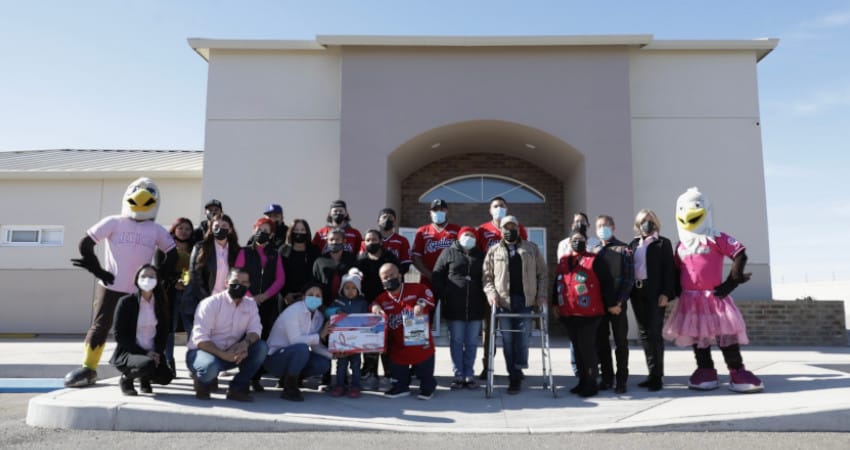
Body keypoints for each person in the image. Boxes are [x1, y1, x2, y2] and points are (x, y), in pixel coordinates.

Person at [64, 177, 176, 388]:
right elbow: (86, 243)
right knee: (100, 325)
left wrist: (157, 278)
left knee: (142, 329)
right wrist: (98, 269)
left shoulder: (156, 229)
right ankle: (89, 367)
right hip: (111, 285)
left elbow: (172, 254)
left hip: (141, 291)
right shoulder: (114, 221)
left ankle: (137, 369)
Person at [663, 187, 763, 393]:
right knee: (699, 338)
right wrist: (671, 291)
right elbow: (676, 270)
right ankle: (705, 370)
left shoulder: (716, 238)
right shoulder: (680, 246)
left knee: (726, 336)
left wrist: (732, 281)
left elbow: (740, 253)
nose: (688, 213)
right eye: (682, 208)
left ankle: (737, 371)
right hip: (690, 301)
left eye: (696, 207)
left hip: (715, 297)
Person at [482, 215, 547, 394]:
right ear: (501, 230)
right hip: (503, 302)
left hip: (525, 301)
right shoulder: (494, 250)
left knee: (523, 338)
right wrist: (491, 294)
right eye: (506, 227)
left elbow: (542, 274)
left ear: (518, 229)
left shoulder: (531, 248)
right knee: (508, 341)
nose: (509, 230)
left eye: (513, 227)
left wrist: (541, 295)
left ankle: (518, 367)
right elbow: (487, 277)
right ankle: (514, 376)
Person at [186, 268, 268, 402]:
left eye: (244, 282)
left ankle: (236, 388)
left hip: (231, 352)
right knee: (209, 367)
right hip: (202, 352)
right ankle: (202, 383)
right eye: (235, 281)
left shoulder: (250, 304)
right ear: (226, 283)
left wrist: (245, 344)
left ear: (248, 286)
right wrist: (224, 355)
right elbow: (200, 339)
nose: (239, 285)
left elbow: (256, 330)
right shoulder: (210, 303)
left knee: (261, 348)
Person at [553, 231, 616, 398]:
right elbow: (557, 282)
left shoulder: (595, 260)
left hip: (590, 314)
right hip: (569, 312)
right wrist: (554, 303)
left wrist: (611, 304)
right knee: (578, 350)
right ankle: (582, 381)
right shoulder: (564, 261)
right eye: (574, 240)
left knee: (587, 349)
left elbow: (607, 283)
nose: (577, 242)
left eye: (580, 240)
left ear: (586, 242)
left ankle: (591, 383)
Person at [475, 196, 528, 380]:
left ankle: (516, 368)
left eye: (502, 206)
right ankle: (487, 366)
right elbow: (479, 257)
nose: (499, 208)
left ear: (507, 208)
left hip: (513, 291)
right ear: (490, 210)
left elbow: (525, 253)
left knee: (512, 332)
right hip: (491, 289)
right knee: (489, 331)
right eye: (495, 206)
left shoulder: (517, 228)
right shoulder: (482, 230)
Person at [235, 217, 286, 392]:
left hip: (267, 305)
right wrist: (250, 296)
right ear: (253, 229)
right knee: (245, 339)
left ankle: (255, 378)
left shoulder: (274, 253)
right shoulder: (244, 252)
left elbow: (280, 279)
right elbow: (237, 274)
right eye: (259, 229)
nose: (261, 233)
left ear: (271, 234)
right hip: (245, 303)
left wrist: (264, 296)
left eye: (266, 230)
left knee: (261, 341)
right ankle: (243, 377)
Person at [371, 262, 437, 399]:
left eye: (392, 275)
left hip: (419, 342)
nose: (389, 279)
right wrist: (375, 308)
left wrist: (420, 304)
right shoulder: (382, 298)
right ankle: (401, 387)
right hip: (398, 346)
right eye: (385, 277)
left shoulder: (416, 288)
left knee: (424, 372)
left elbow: (428, 295)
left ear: (400, 276)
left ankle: (428, 387)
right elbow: (373, 304)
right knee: (397, 369)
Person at [432, 226, 487, 389]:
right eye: (466, 234)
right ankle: (458, 374)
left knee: (471, 342)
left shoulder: (481, 256)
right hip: (454, 307)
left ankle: (469, 374)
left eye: (472, 235)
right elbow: (437, 275)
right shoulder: (448, 253)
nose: (468, 237)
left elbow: (488, 277)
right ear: (460, 236)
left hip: (476, 307)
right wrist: (445, 293)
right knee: (456, 341)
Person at [628, 209, 676, 392]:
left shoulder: (663, 243)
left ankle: (657, 377)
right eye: (643, 221)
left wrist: (666, 293)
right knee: (644, 334)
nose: (647, 224)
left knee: (655, 333)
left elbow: (669, 270)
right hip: (637, 292)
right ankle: (650, 373)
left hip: (656, 293)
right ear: (638, 224)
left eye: (650, 220)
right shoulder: (633, 244)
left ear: (656, 223)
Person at [264, 283, 333, 402]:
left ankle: (291, 378)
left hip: (296, 356)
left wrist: (334, 355)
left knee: (323, 363)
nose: (314, 298)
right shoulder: (294, 311)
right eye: (310, 295)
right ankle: (289, 388)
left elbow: (316, 346)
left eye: (318, 296)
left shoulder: (318, 317)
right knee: (302, 348)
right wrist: (320, 335)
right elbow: (295, 340)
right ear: (303, 297)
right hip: (275, 359)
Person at [110, 264, 171, 396]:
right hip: (130, 352)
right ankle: (127, 379)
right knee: (147, 364)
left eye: (151, 276)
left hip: (152, 351)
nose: (147, 279)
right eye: (143, 276)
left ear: (157, 280)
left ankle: (145, 378)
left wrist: (157, 352)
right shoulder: (126, 302)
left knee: (166, 377)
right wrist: (144, 353)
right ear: (137, 279)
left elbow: (163, 332)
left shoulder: (160, 303)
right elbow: (118, 335)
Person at [593, 215, 634, 393]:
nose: (603, 228)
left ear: (613, 227)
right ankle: (607, 378)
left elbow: (628, 278)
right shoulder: (594, 251)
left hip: (617, 305)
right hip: (599, 305)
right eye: (599, 226)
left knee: (620, 343)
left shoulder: (624, 249)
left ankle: (622, 379)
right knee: (601, 343)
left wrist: (619, 302)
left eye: (606, 225)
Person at [355, 229, 400, 389]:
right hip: (369, 305)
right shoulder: (360, 261)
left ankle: (388, 374)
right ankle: (370, 373)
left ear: (381, 241)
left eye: (374, 239)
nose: (371, 242)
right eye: (367, 240)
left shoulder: (390, 258)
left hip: (389, 303)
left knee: (389, 341)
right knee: (370, 340)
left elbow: (397, 279)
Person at [183, 214, 240, 335]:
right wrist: (208, 299)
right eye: (217, 225)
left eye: (224, 226)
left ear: (230, 229)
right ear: (211, 228)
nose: (221, 228)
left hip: (227, 302)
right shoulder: (201, 247)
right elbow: (195, 275)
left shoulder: (236, 250)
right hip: (203, 300)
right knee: (200, 339)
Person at [156, 217, 195, 378]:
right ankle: (168, 362)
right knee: (169, 329)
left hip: (190, 293)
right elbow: (160, 270)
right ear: (174, 229)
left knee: (192, 329)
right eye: (181, 228)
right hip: (170, 293)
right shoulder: (165, 247)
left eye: (187, 229)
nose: (184, 231)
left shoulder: (195, 247)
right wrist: (174, 282)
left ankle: (195, 364)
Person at [327, 269, 369, 398]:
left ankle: (355, 386)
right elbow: (327, 312)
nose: (350, 291)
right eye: (347, 288)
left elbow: (367, 319)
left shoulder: (362, 303)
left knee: (356, 364)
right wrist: (337, 311)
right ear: (342, 289)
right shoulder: (338, 302)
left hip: (356, 341)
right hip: (341, 341)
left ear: (358, 290)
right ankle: (340, 385)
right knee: (341, 364)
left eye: (353, 288)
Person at [412, 199, 460, 289]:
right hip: (428, 279)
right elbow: (415, 257)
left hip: (450, 279)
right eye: (435, 210)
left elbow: (461, 255)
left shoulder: (456, 230)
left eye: (441, 209)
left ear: (447, 211)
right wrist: (430, 275)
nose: (438, 212)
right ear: (430, 213)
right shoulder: (422, 231)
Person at [280, 219, 321, 310]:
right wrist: (285, 294)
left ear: (307, 232)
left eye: (303, 230)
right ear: (291, 232)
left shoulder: (314, 250)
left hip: (310, 296)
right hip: (287, 297)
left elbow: (317, 275)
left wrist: (308, 294)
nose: (299, 233)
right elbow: (278, 275)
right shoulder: (283, 250)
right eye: (296, 230)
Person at [312, 227, 357, 306]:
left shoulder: (352, 259)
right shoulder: (320, 261)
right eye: (331, 240)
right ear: (327, 241)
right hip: (324, 304)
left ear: (344, 241)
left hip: (348, 304)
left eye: (337, 239)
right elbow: (314, 283)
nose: (334, 242)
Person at [360, 208, 412, 274]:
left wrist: (394, 274)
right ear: (378, 221)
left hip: (393, 278)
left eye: (390, 217)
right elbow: (362, 261)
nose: (387, 219)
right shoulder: (368, 241)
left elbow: (406, 264)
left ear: (395, 222)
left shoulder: (402, 241)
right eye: (384, 217)